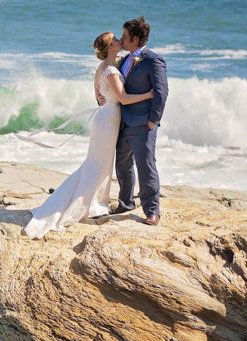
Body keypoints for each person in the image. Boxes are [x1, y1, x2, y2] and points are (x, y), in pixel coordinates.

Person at [24, 32, 153, 239]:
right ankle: (89, 205)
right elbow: (123, 98)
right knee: (99, 165)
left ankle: (96, 203)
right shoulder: (110, 70)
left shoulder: (104, 67)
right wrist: (148, 95)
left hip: (104, 118)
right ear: (111, 47)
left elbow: (97, 93)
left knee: (96, 164)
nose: (120, 39)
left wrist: (101, 97)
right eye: (116, 40)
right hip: (109, 120)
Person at [109, 16, 168, 226]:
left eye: (124, 36)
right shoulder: (125, 59)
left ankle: (152, 211)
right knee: (123, 165)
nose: (121, 39)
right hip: (123, 122)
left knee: (146, 166)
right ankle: (125, 204)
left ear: (135, 39)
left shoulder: (154, 60)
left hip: (143, 123)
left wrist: (153, 120)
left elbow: (161, 93)